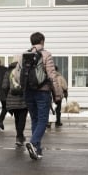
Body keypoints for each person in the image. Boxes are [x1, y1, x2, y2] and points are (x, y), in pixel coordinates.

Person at [23, 32, 63, 160]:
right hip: (42, 91)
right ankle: (34, 143)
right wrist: (58, 94)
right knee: (43, 120)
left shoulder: (24, 55)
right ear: (42, 41)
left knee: (35, 119)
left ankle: (37, 151)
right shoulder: (46, 55)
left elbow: (19, 74)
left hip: (28, 92)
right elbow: (52, 75)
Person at [4, 60, 28, 147]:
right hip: (23, 99)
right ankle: (19, 136)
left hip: (11, 99)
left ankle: (19, 136)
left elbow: (4, 86)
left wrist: (7, 95)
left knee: (17, 119)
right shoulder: (25, 71)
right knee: (22, 118)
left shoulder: (8, 72)